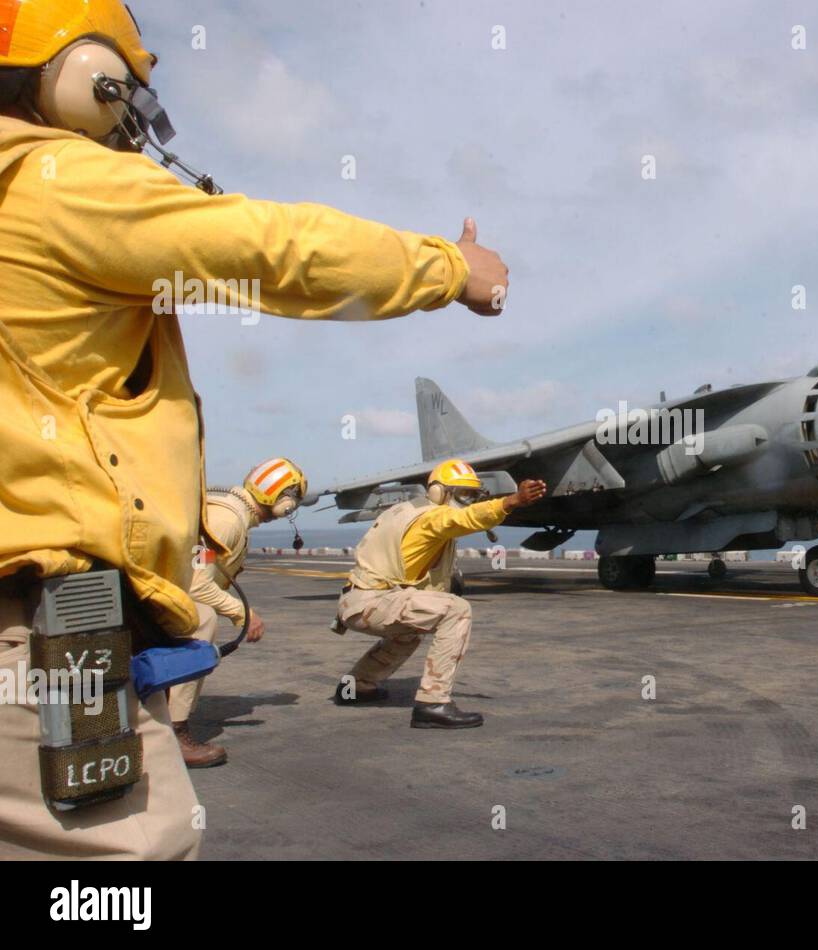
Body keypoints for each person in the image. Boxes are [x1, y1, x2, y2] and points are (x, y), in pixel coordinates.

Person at [0, 0, 509, 859]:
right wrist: (451, 269)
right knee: (124, 870)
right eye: (130, 92)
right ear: (89, 76)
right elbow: (272, 249)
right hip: (46, 629)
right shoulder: (51, 183)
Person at [334, 461, 546, 728]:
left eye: (472, 495)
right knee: (456, 610)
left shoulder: (403, 510)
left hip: (361, 600)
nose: (467, 501)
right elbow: (462, 519)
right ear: (438, 492)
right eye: (462, 494)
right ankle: (433, 703)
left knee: (407, 634)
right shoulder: (432, 516)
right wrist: (511, 501)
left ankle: (356, 687)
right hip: (372, 601)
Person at [175, 458, 309, 768]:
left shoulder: (227, 512)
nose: (290, 509)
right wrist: (242, 612)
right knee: (202, 619)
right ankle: (173, 730)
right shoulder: (227, 521)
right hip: (162, 599)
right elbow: (196, 585)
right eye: (292, 501)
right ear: (282, 500)